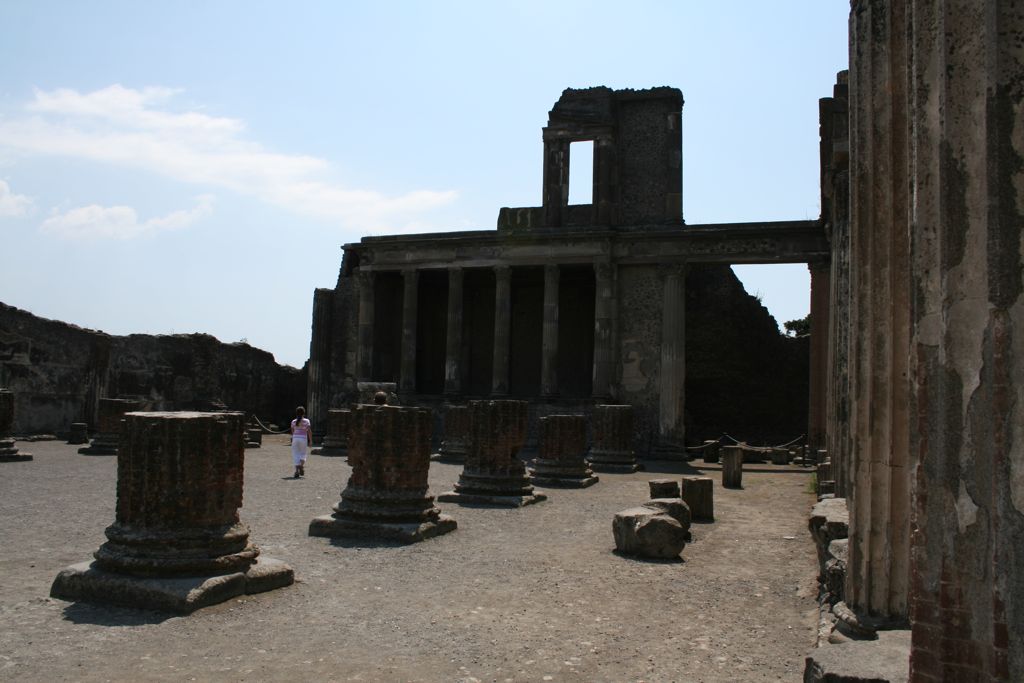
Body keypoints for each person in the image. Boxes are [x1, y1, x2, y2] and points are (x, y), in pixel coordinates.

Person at [290, 406, 312, 478]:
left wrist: (293, 438)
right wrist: (310, 441)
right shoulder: (307, 421)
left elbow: (293, 431)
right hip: (303, 438)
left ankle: (297, 471)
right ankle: (301, 466)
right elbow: (309, 431)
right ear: (304, 413)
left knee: (296, 454)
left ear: (296, 413)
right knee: (303, 453)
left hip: (295, 438)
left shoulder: (293, 421)